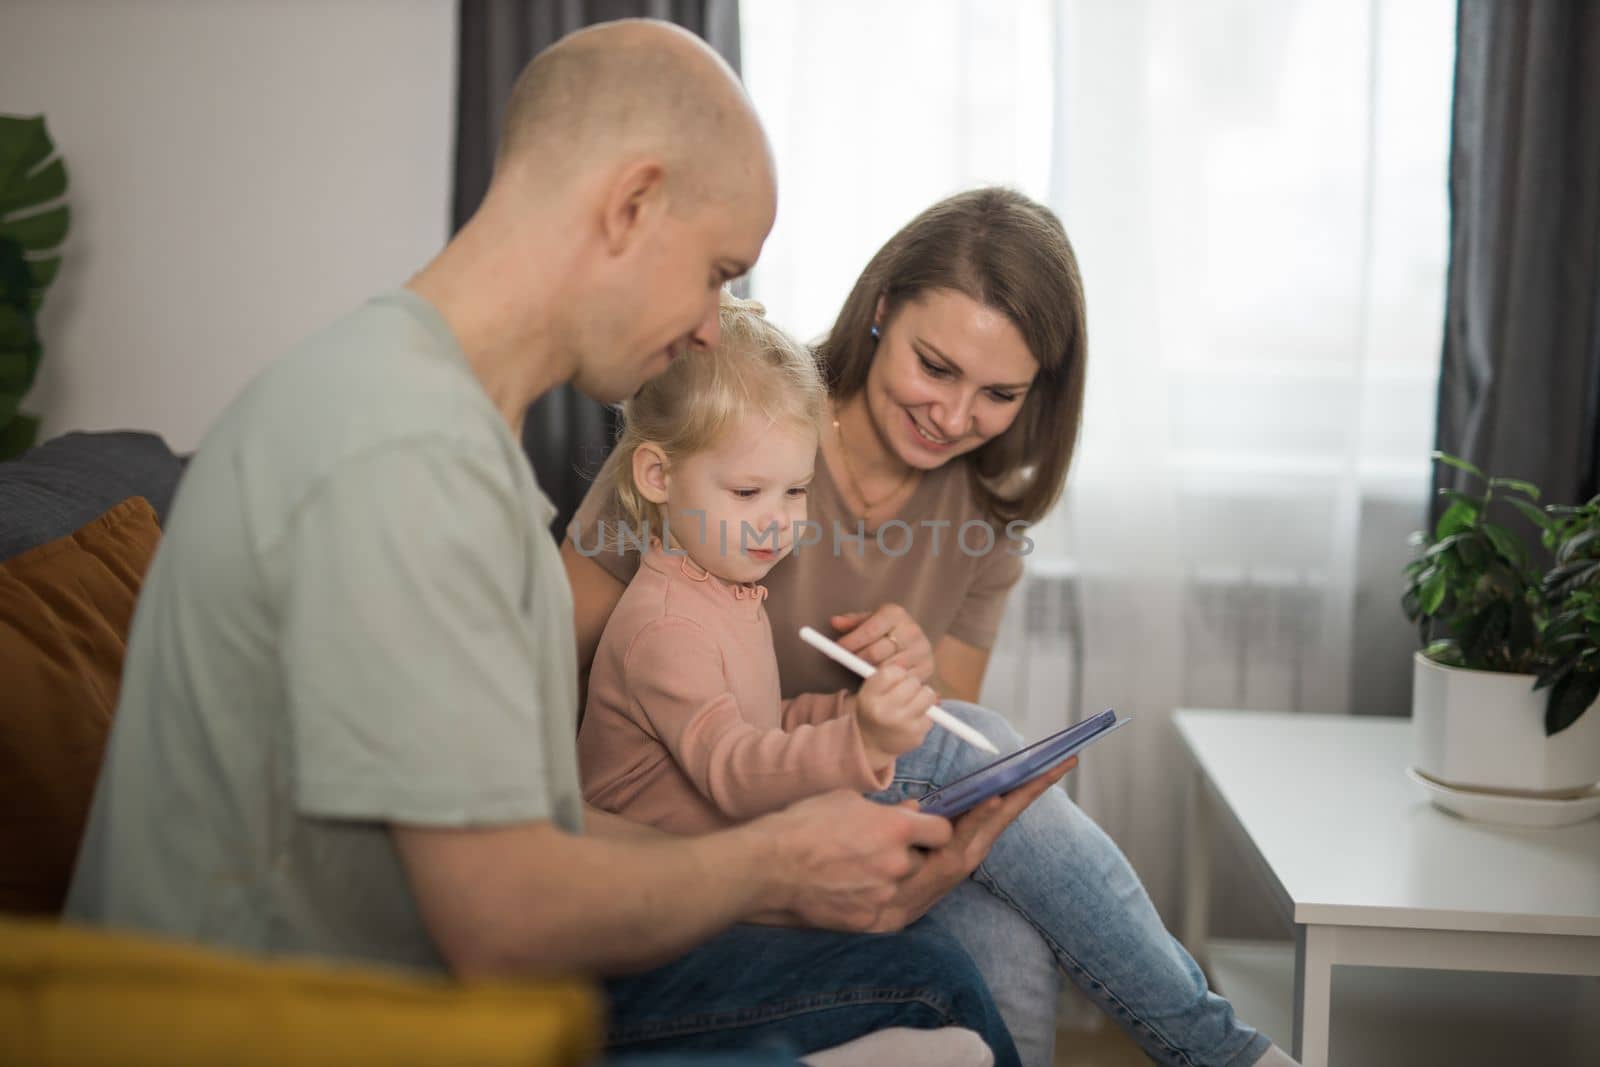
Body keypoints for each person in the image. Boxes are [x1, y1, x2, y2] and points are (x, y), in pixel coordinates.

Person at [63, 21, 1028, 1066]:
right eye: (716, 271)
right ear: (630, 204)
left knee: (930, 974)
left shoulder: (441, 427)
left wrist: (802, 863)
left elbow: (542, 824)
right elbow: (498, 910)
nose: (713, 326)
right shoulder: (401, 448)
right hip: (293, 1023)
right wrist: (774, 867)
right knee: (924, 996)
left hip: (394, 986)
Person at [564, 189, 1299, 1067]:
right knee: (982, 747)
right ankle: (1224, 1052)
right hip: (707, 825)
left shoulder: (985, 514)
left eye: (999, 393)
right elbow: (552, 694)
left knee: (1001, 913)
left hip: (844, 790)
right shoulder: (731, 424)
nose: (954, 417)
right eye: (936, 367)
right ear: (881, 313)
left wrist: (911, 676)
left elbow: (943, 745)